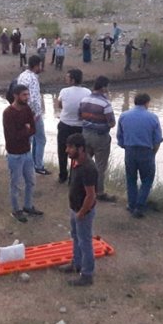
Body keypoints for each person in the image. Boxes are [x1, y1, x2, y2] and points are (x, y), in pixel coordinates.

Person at [60, 133, 98, 287]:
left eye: (70, 147)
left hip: (83, 212)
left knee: (85, 242)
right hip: (75, 209)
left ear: (80, 149)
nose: (66, 150)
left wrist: (82, 213)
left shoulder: (88, 168)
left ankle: (87, 275)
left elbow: (91, 196)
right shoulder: (75, 162)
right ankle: (76, 264)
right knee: (76, 237)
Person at [117, 93, 162, 218]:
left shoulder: (124, 115)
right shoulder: (153, 117)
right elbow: (157, 140)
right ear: (147, 103)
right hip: (146, 151)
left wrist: (126, 146)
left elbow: (120, 137)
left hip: (130, 151)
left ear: (134, 102)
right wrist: (153, 154)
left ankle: (131, 205)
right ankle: (140, 206)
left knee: (131, 178)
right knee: (147, 180)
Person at [3, 84, 44, 223]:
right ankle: (16, 210)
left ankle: (28, 206)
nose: (27, 97)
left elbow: (33, 128)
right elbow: (13, 135)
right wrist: (26, 130)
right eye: (24, 95)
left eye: (28, 94)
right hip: (14, 154)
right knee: (16, 184)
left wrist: (26, 130)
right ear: (15, 95)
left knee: (31, 181)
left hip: (27, 152)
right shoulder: (8, 113)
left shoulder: (27, 109)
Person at [79, 75, 115, 202]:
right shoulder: (106, 104)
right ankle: (99, 192)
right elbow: (112, 123)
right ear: (104, 87)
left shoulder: (84, 99)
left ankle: (83, 188)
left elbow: (80, 116)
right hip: (100, 137)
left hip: (85, 134)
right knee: (100, 166)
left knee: (85, 163)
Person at [55, 69, 88, 184]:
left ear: (73, 80)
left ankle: (62, 175)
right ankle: (73, 178)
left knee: (62, 150)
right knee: (77, 152)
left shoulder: (64, 91)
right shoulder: (87, 92)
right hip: (79, 126)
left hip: (65, 125)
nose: (66, 79)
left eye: (68, 77)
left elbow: (59, 105)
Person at [18, 55, 49, 175]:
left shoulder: (22, 75)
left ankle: (29, 164)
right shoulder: (33, 79)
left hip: (23, 111)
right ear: (36, 66)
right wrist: (36, 114)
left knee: (29, 139)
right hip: (32, 113)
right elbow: (34, 99)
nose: (41, 67)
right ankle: (38, 166)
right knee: (41, 139)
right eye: (41, 65)